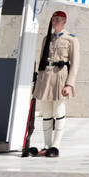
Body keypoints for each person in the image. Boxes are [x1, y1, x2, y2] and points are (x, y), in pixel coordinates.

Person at [30, 10, 78, 157]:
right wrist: (37, 81)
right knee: (47, 112)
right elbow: (41, 61)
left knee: (59, 111)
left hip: (60, 77)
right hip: (46, 77)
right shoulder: (47, 39)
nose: (55, 22)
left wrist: (69, 84)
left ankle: (56, 145)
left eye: (58, 19)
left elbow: (75, 63)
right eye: (54, 19)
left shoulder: (71, 40)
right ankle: (47, 144)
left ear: (64, 21)